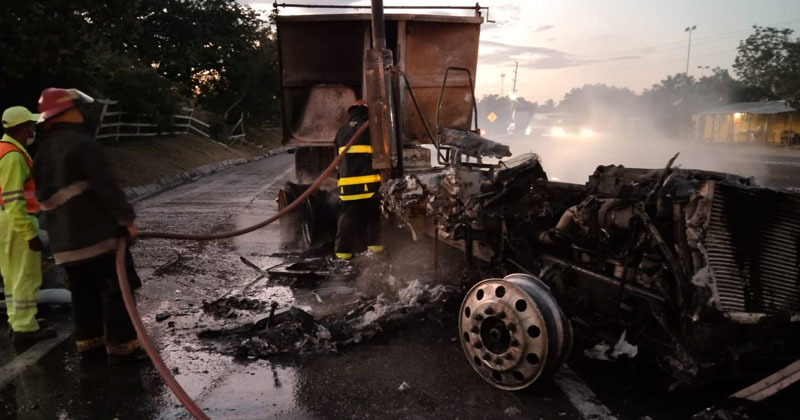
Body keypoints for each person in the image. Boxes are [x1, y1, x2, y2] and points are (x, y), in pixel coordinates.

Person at [33, 88, 146, 364]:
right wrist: (126, 221)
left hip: (65, 246)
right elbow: (107, 189)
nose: (79, 112)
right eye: (74, 107)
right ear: (64, 113)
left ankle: (89, 348)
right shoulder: (83, 145)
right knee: (117, 289)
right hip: (98, 239)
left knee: (83, 295)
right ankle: (123, 349)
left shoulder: (41, 155)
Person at [0, 106, 56, 346]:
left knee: (12, 275)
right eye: (31, 125)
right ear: (23, 129)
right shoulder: (13, 156)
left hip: (5, 221)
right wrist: (29, 233)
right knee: (26, 276)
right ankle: (25, 328)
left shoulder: (4, 150)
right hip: (16, 221)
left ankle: (19, 321)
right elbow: (13, 200)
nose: (33, 129)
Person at [333, 100, 383, 260]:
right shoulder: (372, 129)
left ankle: (342, 255)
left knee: (346, 221)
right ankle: (376, 252)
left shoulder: (341, 132)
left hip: (346, 188)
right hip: (369, 187)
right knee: (373, 219)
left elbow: (337, 162)